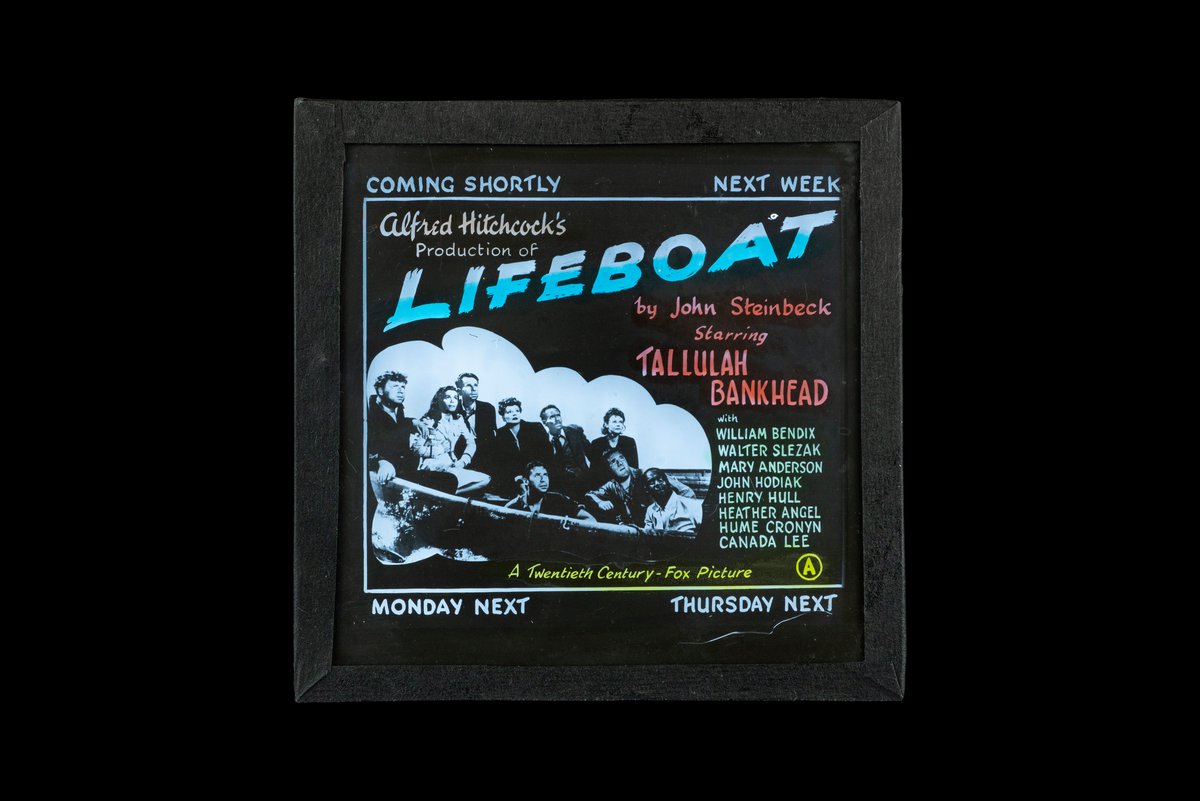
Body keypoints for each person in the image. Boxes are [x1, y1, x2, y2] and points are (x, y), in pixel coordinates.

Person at [412, 386, 490, 493]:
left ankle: (449, 493)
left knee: (485, 479)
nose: (453, 401)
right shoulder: (428, 421)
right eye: (448, 397)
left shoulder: (458, 419)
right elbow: (416, 449)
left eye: (455, 398)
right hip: (432, 468)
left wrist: (463, 461)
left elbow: (471, 443)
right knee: (450, 483)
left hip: (451, 466)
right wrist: (440, 449)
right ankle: (445, 492)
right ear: (440, 400)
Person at [586, 449, 695, 526]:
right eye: (613, 462)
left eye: (621, 458)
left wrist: (676, 516)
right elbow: (590, 495)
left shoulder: (647, 474)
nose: (620, 463)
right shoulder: (612, 485)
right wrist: (600, 502)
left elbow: (687, 491)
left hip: (660, 527)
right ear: (609, 469)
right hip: (639, 532)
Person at [491, 397, 551, 498]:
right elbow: (501, 463)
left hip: (539, 474)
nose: (514, 414)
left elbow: (547, 455)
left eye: (517, 411)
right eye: (509, 412)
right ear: (503, 417)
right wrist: (516, 478)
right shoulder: (499, 434)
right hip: (514, 480)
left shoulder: (535, 427)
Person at [367, 371, 417, 482]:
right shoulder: (368, 416)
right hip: (386, 477)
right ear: (380, 391)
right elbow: (361, 451)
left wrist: (414, 421)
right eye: (395, 386)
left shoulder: (398, 411)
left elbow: (397, 425)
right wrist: (381, 462)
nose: (401, 391)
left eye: (403, 387)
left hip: (405, 472)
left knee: (450, 480)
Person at [504, 461, 596, 521]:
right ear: (526, 481)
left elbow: (589, 519)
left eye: (545, 475)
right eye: (537, 475)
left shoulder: (558, 500)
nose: (543, 480)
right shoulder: (513, 506)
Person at [539, 404, 590, 497]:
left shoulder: (575, 432)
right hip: (559, 490)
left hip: (584, 484)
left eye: (558, 415)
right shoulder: (542, 441)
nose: (557, 419)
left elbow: (592, 454)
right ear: (544, 422)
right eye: (552, 417)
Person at [642, 467, 703, 535]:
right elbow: (647, 536)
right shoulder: (650, 510)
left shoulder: (692, 505)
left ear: (668, 482)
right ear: (646, 489)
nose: (657, 484)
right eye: (651, 482)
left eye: (660, 480)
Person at [455, 372, 496, 470]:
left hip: (484, 457)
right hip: (459, 456)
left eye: (475, 385)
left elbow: (490, 439)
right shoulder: (453, 409)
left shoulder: (488, 408)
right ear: (459, 391)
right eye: (468, 385)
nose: (474, 389)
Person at [588, 407, 638, 486]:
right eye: (614, 422)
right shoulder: (597, 444)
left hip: (626, 485)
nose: (618, 424)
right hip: (604, 485)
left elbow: (634, 468)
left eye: (621, 422)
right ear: (606, 424)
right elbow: (594, 472)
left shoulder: (629, 442)